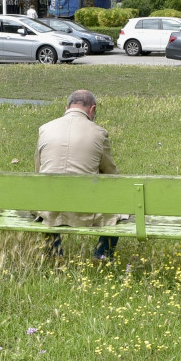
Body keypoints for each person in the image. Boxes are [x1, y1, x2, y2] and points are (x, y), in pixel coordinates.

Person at [35, 89, 121, 259]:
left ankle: (54, 253)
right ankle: (101, 256)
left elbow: (38, 171)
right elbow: (111, 175)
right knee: (118, 207)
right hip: (85, 210)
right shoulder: (99, 133)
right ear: (92, 109)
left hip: (49, 209)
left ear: (66, 107)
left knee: (47, 197)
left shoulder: (44, 129)